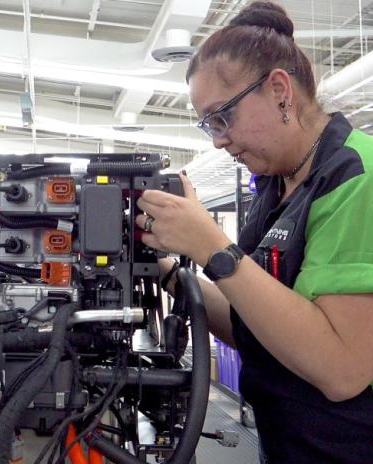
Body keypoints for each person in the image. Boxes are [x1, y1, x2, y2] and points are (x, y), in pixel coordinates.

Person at [136, 2, 373, 463]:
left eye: (221, 117)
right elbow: (256, 324)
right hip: (287, 444)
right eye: (208, 125)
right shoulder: (274, 185)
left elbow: (342, 368)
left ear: (280, 90)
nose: (217, 140)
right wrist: (170, 268)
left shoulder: (355, 178)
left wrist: (211, 244)